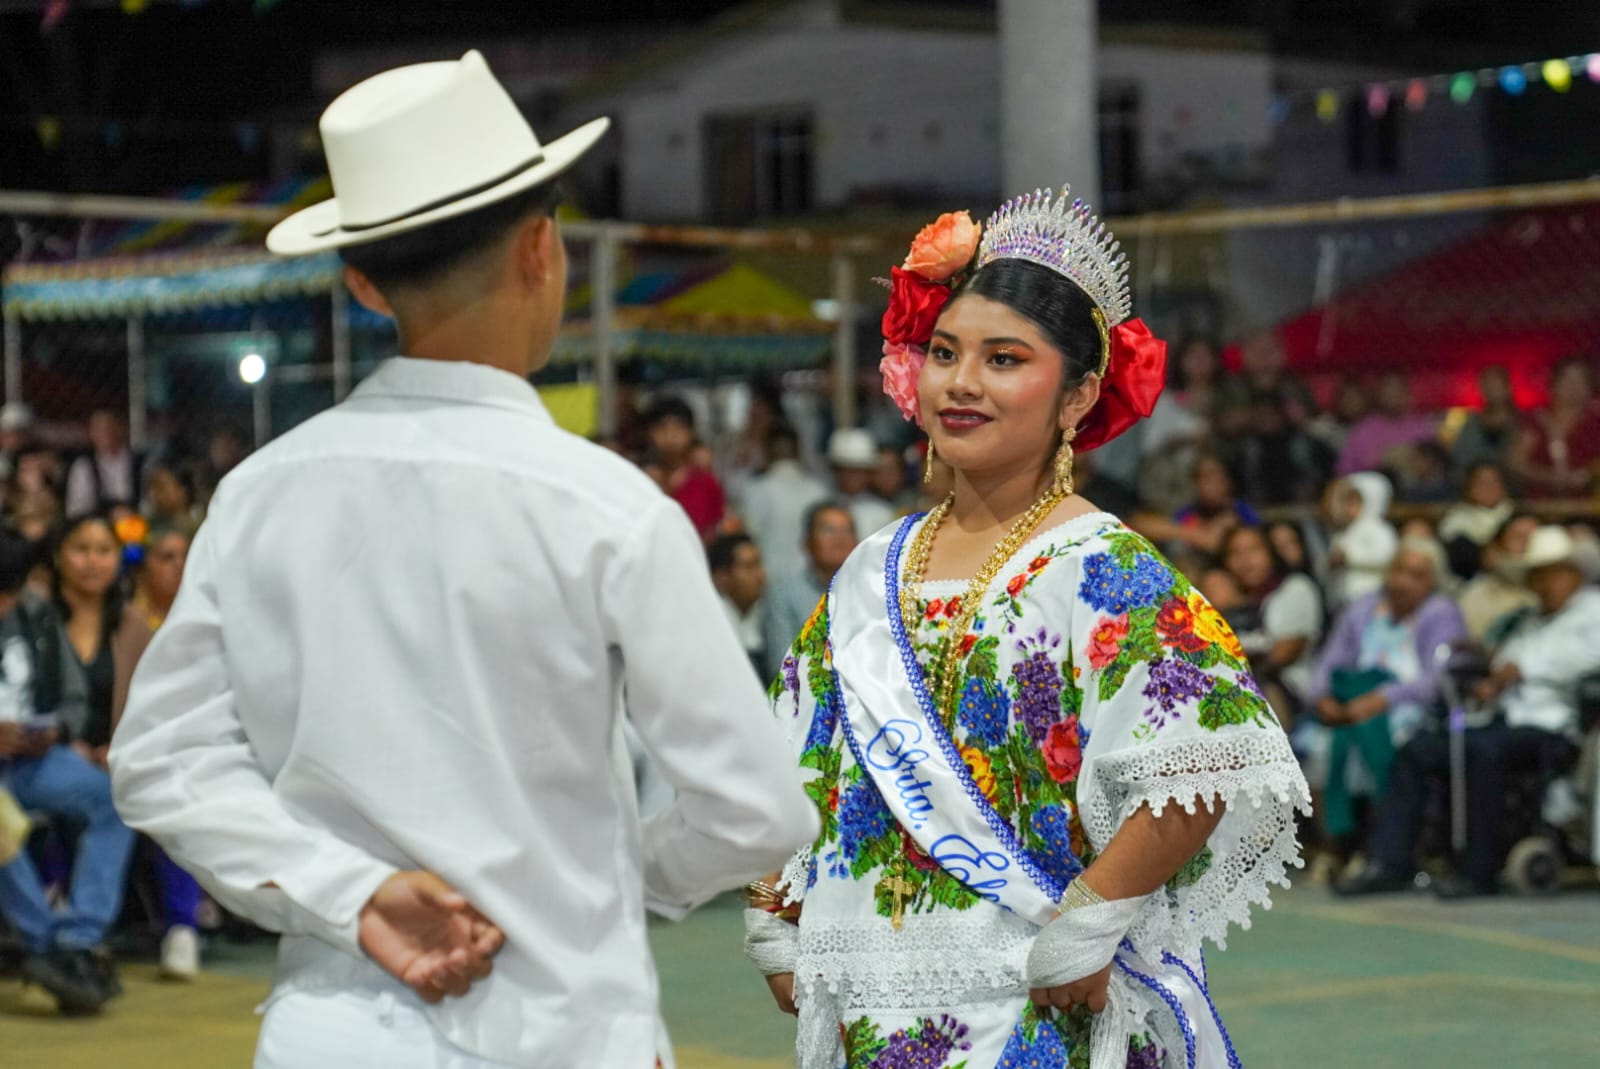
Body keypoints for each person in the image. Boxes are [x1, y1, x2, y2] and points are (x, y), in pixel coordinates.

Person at [109, 52, 815, 1069]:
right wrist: (604, 872)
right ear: (543, 249)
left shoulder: (260, 492)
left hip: (334, 1027)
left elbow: (164, 761)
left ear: (361, 280)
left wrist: (345, 891)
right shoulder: (608, 509)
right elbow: (757, 808)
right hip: (562, 1024)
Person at [747, 192, 1307, 1068]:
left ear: (1079, 393)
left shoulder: (1101, 565)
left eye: (1004, 359)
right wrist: (775, 906)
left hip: (1036, 1003)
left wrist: (1095, 911)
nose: (961, 383)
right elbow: (803, 749)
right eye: (943, 353)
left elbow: (1206, 756)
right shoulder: (870, 570)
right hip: (872, 1000)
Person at [1338, 525, 1600, 899]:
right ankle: (1389, 860)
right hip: (1500, 717)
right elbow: (1503, 664)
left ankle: (1479, 870)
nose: (1543, 583)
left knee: (1482, 751)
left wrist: (1520, 669)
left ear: (1573, 573)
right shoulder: (1530, 620)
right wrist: (1488, 667)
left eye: (1551, 573)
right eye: (1537, 575)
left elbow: (1583, 657)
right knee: (1419, 747)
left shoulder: (1593, 611)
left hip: (1552, 724)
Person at [0, 527, 135, 1014]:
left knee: (112, 799)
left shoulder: (34, 612)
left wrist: (53, 732)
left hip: (32, 758)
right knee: (1, 824)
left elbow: (73, 699)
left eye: (7, 597)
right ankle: (47, 947)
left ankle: (79, 938)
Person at [1306, 538, 1466, 853]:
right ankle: (1335, 845)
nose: (1403, 581)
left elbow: (1438, 680)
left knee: (1388, 743)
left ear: (1433, 582)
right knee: (1316, 745)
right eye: (1398, 571)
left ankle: (1379, 846)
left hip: (1408, 707)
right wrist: (1322, 697)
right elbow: (1330, 661)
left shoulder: (1441, 613)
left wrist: (1381, 699)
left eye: (1417, 575)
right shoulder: (1363, 608)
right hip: (1351, 700)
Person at [51, 514, 153, 768]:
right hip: (43, 761)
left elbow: (154, 705)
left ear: (119, 558)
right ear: (57, 555)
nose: (92, 561)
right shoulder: (35, 617)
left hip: (117, 764)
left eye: (104, 550)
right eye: (81, 549)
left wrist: (121, 750)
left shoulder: (134, 625)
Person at [1218, 525, 1324, 725]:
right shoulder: (1222, 599)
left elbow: (1282, 654)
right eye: (1235, 553)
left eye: (1253, 550)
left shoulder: (1295, 589)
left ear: (1270, 552)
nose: (1245, 561)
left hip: (1286, 694)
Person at [762, 501, 856, 678]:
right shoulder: (785, 594)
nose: (840, 539)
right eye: (829, 530)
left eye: (847, 531)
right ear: (807, 543)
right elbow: (781, 667)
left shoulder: (873, 591)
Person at [1137, 334, 1219, 513]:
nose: (1200, 361)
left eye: (1206, 355)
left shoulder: (1227, 398)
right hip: (1175, 487)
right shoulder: (1166, 401)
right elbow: (1150, 446)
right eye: (1193, 355)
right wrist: (1185, 440)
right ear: (1181, 361)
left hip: (1219, 485)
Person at [738, 425, 829, 585]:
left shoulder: (756, 490)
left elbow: (748, 536)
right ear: (798, 452)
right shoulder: (818, 491)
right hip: (811, 581)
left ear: (767, 451)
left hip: (769, 579)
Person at [1131, 454, 1259, 563]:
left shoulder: (1242, 513)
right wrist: (1197, 535)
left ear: (1228, 480)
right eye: (1204, 478)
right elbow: (1139, 524)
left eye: (1215, 476)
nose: (1211, 484)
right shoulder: (1189, 513)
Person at [1510, 357, 1600, 498]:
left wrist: (1589, 475)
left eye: (1580, 381)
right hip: (1543, 505)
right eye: (1568, 380)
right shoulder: (1538, 420)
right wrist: (1550, 478)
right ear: (1554, 384)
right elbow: (1516, 462)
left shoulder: (1595, 422)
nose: (1574, 387)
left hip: (1589, 507)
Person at [643, 396, 727, 543]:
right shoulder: (642, 480)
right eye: (661, 428)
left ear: (691, 432)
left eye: (678, 428)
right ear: (649, 433)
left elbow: (716, 525)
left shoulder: (704, 479)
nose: (670, 436)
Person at [1455, 513, 1540, 645]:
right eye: (1519, 538)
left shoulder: (1558, 594)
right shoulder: (1474, 597)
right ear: (1495, 548)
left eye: (1536, 537)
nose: (1528, 544)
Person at [1336, 371, 1440, 478]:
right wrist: (1383, 461)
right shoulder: (1363, 429)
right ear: (1380, 393)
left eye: (1398, 389)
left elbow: (1439, 465)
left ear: (1407, 393)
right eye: (1389, 389)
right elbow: (1343, 471)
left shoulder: (1422, 426)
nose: (1394, 395)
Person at [1324, 472, 1398, 613]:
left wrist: (1349, 558)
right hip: (1343, 602)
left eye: (1356, 500)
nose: (1349, 506)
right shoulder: (1345, 532)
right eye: (1347, 500)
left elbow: (1386, 558)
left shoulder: (1380, 530)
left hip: (1370, 599)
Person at [1437, 463, 1515, 580]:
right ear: (1468, 487)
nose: (1488, 488)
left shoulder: (1516, 517)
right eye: (1481, 483)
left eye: (1494, 482)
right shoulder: (1456, 522)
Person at [64, 410, 144, 519]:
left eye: (108, 427)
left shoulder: (141, 462)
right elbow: (76, 510)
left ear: (120, 429)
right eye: (97, 429)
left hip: (137, 520)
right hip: (99, 524)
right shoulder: (83, 466)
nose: (103, 433)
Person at [708, 533, 768, 677]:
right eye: (749, 567)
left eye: (759, 564)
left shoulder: (759, 613)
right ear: (722, 577)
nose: (760, 575)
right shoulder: (711, 624)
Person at [1449, 365, 1521, 480]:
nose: (1492, 391)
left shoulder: (1524, 422)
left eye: (1496, 385)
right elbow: (1460, 457)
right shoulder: (1471, 422)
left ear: (1508, 387)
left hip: (1515, 488)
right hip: (1477, 485)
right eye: (1487, 385)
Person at [828, 428, 897, 539]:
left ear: (869, 473)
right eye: (847, 469)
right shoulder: (822, 506)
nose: (853, 476)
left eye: (859, 470)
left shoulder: (883, 514)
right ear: (835, 470)